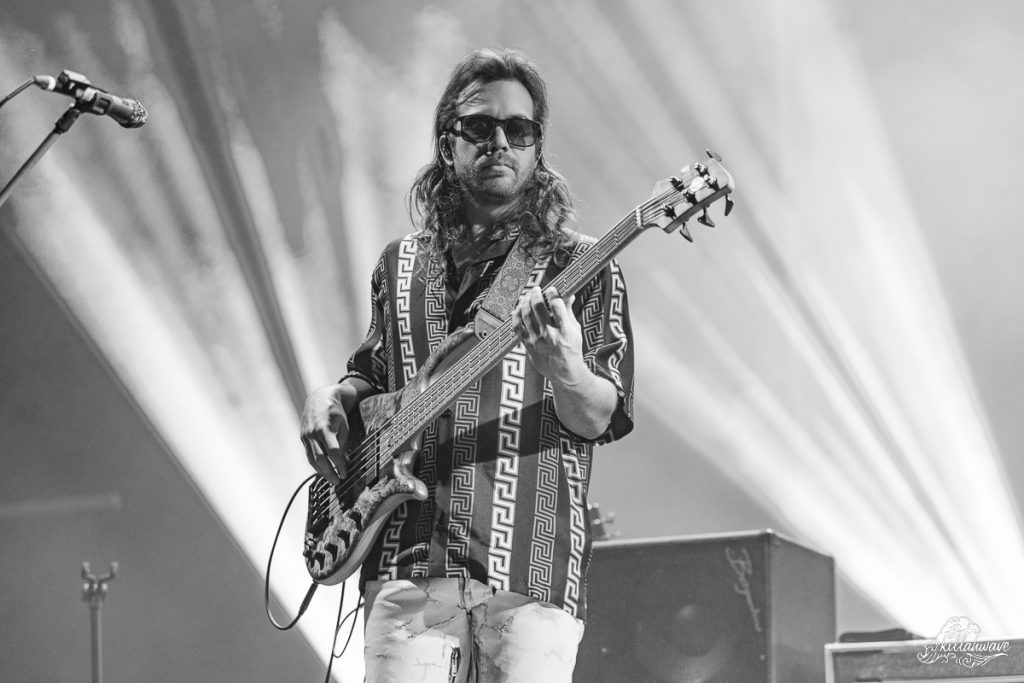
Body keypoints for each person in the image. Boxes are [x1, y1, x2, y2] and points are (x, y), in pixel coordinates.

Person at [300, 47, 634, 682]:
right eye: (480, 126)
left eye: (519, 129)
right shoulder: (398, 263)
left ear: (537, 148)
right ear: (446, 141)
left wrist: (563, 366)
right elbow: (372, 376)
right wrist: (329, 396)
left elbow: (599, 417)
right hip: (402, 556)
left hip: (527, 565)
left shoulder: (582, 266)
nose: (499, 142)